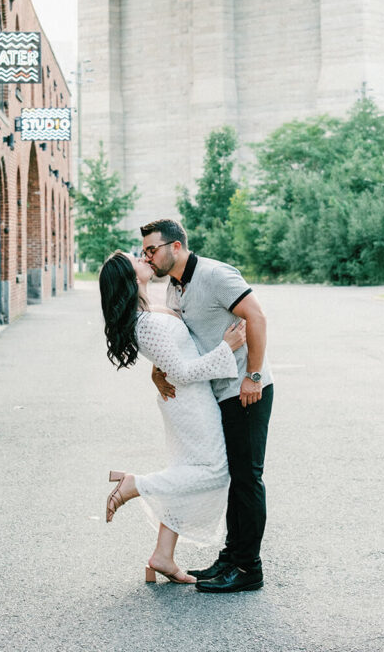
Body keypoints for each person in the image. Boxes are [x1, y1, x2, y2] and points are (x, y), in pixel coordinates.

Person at [98, 250, 248, 585]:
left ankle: (163, 556)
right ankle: (136, 484)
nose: (143, 257)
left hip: (187, 398)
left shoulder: (148, 310)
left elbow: (172, 355)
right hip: (189, 403)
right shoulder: (145, 322)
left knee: (188, 473)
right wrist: (228, 347)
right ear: (128, 275)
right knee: (214, 471)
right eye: (135, 257)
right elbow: (180, 371)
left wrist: (156, 369)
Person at [140, 219, 273, 594]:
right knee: (234, 476)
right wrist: (156, 370)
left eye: (152, 249)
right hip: (217, 391)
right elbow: (179, 337)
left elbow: (257, 317)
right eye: (145, 252)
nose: (148, 257)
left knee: (247, 478)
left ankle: (249, 568)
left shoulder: (215, 274)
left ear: (176, 246)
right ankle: (232, 557)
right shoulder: (174, 290)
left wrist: (255, 375)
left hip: (247, 390)